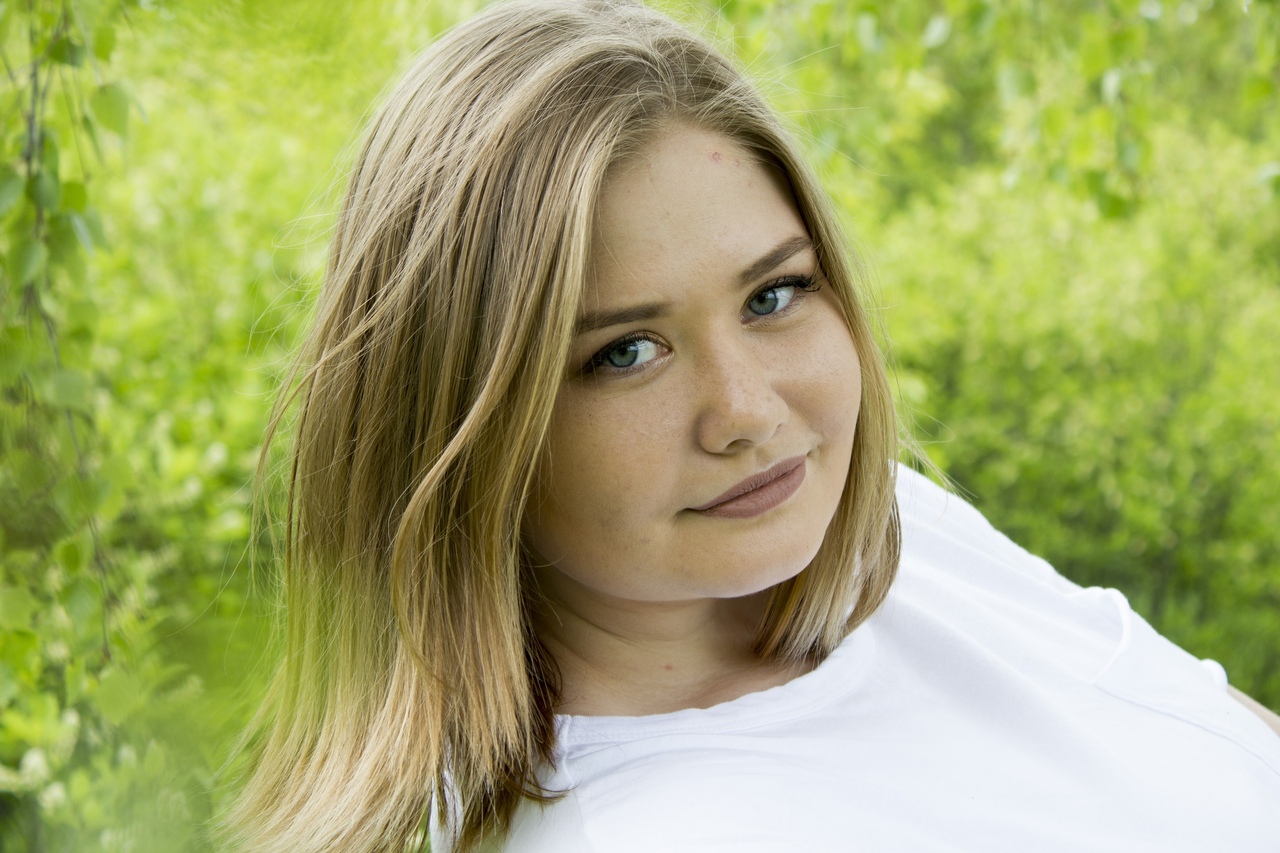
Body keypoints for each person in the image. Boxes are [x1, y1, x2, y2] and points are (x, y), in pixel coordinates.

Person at [223, 1, 1280, 851]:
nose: (749, 413)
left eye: (773, 295)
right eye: (624, 352)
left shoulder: (878, 530)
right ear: (463, 426)